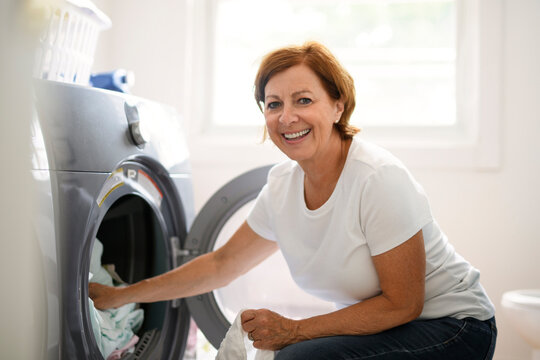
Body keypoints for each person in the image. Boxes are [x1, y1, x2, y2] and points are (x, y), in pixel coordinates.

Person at [90, 41, 497, 359]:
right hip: (392, 325)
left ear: (337, 105)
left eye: (304, 100)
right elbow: (221, 263)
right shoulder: (282, 185)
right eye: (274, 105)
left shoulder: (377, 178)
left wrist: (295, 329)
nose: (287, 118)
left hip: (454, 326)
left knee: (298, 356)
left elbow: (403, 305)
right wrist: (121, 295)